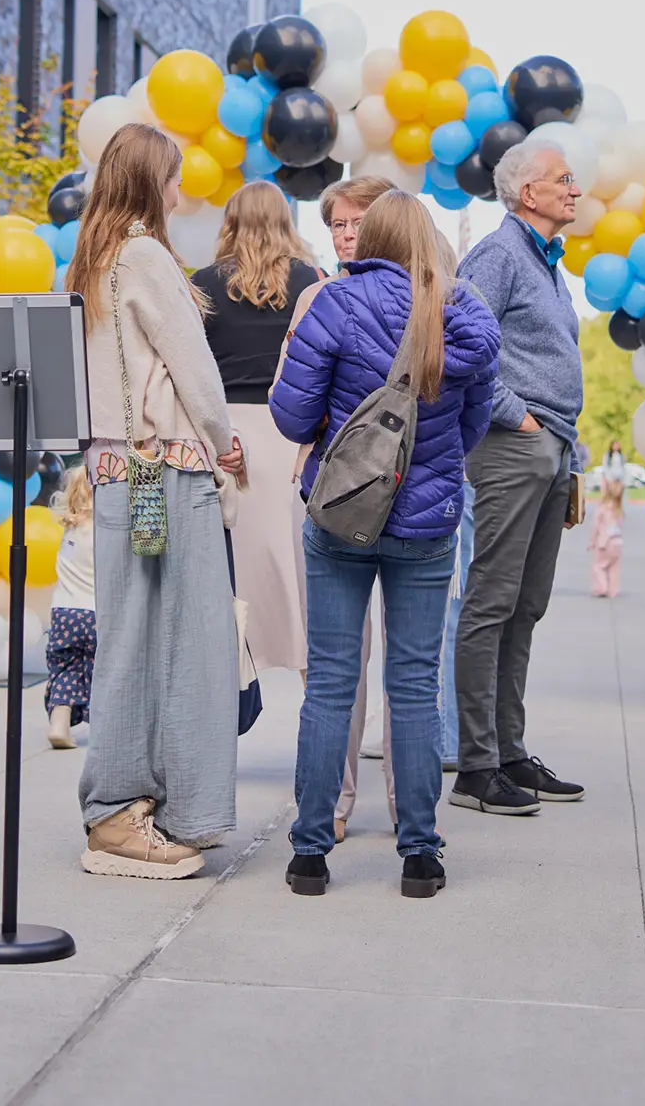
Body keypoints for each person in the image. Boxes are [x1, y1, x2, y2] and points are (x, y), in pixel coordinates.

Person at [270, 189, 500, 898]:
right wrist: (425, 472)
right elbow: (474, 423)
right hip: (426, 527)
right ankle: (420, 855)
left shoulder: (334, 305)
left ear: (366, 238)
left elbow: (291, 414)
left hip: (341, 517)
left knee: (331, 683)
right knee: (414, 685)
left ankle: (311, 854)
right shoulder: (462, 314)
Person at [64, 122, 246, 881]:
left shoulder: (91, 258)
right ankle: (131, 813)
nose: (180, 191)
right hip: (164, 470)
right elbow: (194, 369)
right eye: (172, 178)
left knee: (140, 632)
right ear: (150, 181)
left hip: (128, 474)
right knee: (189, 641)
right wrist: (225, 441)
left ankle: (140, 807)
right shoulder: (144, 254)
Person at [451, 140, 587, 815]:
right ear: (527, 193)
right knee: (491, 604)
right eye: (564, 180)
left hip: (552, 450)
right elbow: (458, 340)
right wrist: (520, 422)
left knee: (525, 608)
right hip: (514, 448)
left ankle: (508, 753)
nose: (576, 188)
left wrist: (570, 453)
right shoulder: (500, 254)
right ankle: (475, 768)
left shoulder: (546, 263)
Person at [292, 173, 397, 841]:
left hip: (415, 500)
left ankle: (405, 804)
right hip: (338, 497)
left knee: (411, 664)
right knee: (339, 664)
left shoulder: (430, 297)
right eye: (336, 223)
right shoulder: (316, 297)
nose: (347, 232)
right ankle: (333, 800)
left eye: (358, 221)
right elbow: (292, 397)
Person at [192, 180, 322, 675]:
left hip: (225, 437)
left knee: (231, 569)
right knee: (297, 567)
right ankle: (313, 682)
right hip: (291, 432)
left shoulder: (202, 283)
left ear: (230, 221)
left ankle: (232, 675)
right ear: (283, 221)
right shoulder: (310, 280)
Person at [45, 463, 96, 750]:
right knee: (100, 670)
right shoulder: (103, 532)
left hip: (63, 612)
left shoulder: (70, 529)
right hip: (96, 612)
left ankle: (59, 725)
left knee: (64, 669)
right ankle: (104, 727)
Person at [589, 440, 626, 598]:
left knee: (599, 566)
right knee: (614, 567)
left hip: (604, 542)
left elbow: (596, 526)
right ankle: (613, 590)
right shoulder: (619, 509)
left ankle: (602, 588)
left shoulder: (602, 509)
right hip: (617, 542)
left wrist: (592, 542)